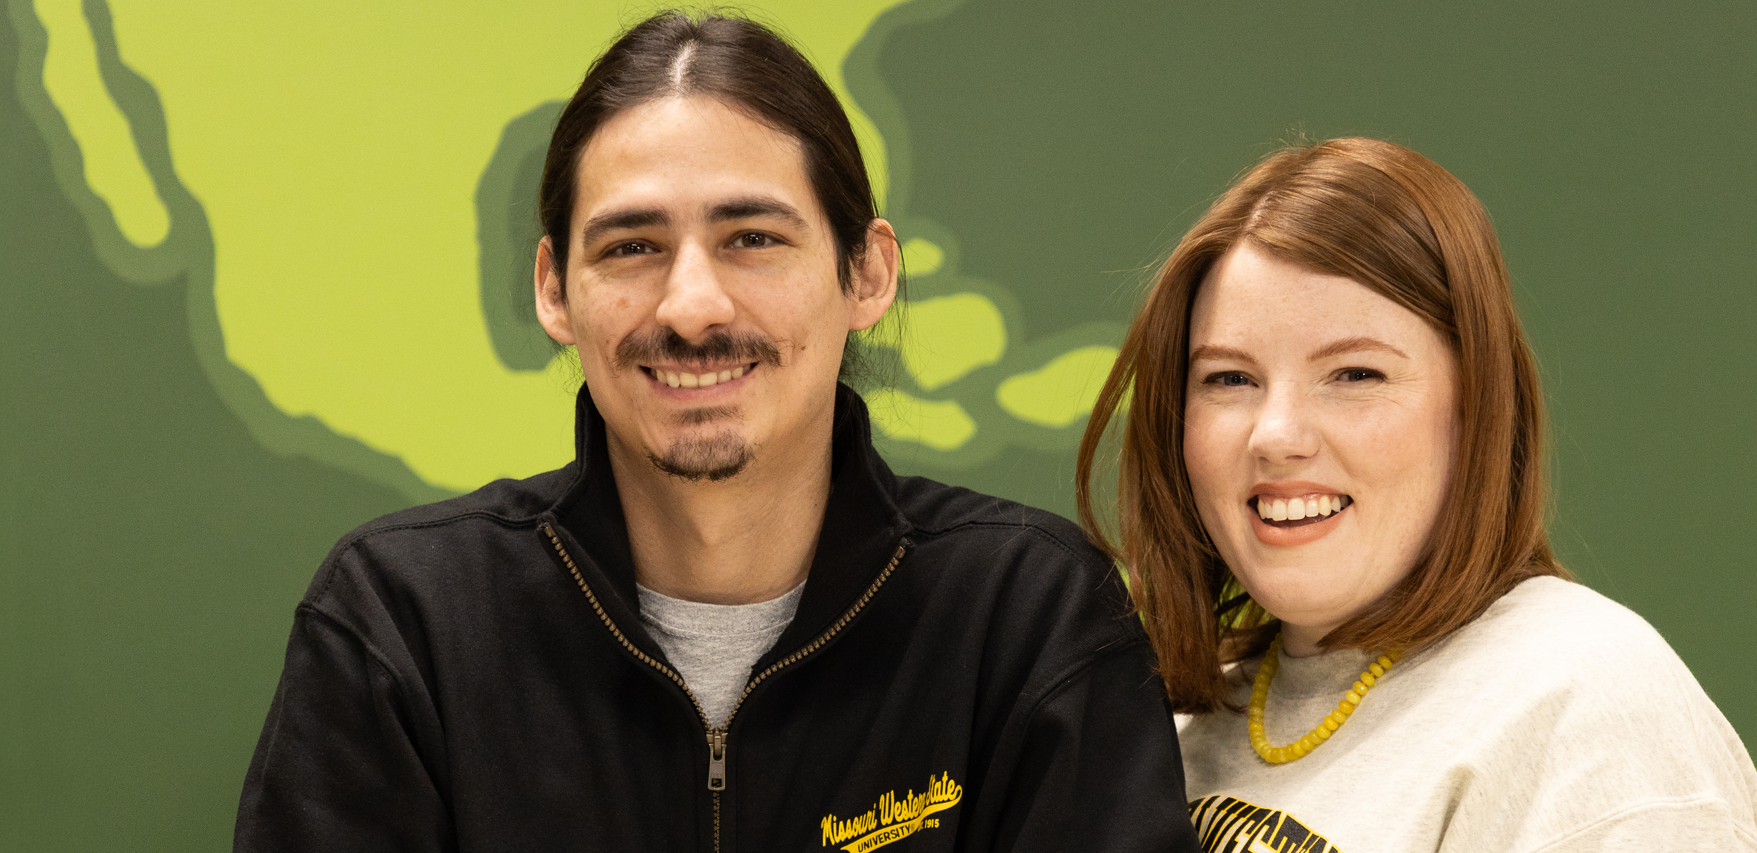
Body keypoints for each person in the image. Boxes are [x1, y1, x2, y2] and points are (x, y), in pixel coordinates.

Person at [234, 12, 1194, 852]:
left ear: (867, 273)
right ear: (554, 290)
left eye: (753, 238)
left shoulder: (1027, 621)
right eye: (631, 247)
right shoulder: (402, 627)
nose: (691, 305)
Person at [1075, 138, 1757, 852]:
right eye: (1230, 378)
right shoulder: (1173, 726)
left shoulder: (1586, 706)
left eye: (1355, 374)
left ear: (1477, 403)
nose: (1277, 434)